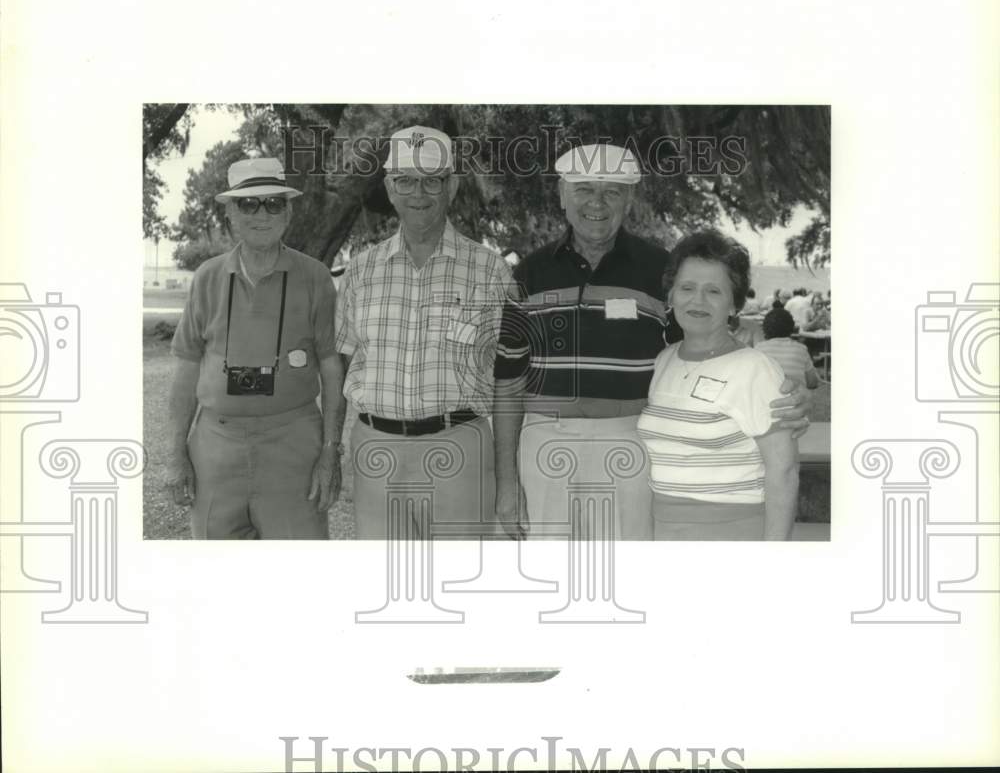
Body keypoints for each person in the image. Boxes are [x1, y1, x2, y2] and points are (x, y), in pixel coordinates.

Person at [493, 143, 810, 541]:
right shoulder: (529, 273)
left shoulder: (659, 269)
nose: (597, 202)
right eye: (584, 189)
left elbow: (703, 350)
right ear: (561, 194)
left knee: (629, 575)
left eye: (612, 191)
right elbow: (507, 382)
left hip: (632, 444)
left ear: (629, 199)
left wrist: (782, 394)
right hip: (544, 444)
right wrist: (506, 485)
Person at [333, 126, 513, 539]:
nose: (418, 193)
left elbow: (510, 381)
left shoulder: (491, 271)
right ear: (389, 188)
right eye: (405, 181)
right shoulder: (361, 271)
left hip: (460, 448)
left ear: (452, 186)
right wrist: (331, 451)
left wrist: (508, 475)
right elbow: (340, 363)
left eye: (432, 180)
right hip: (376, 448)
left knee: (460, 586)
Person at [167, 157, 344, 539]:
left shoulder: (315, 278)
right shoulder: (207, 279)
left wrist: (330, 452)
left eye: (273, 203)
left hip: (294, 444)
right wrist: (175, 454)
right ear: (231, 212)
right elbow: (186, 370)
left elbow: (331, 368)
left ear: (289, 211)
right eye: (248, 204)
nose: (261, 214)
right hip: (215, 447)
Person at [637, 231, 799, 540]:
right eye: (687, 288)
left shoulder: (755, 369)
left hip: (730, 534)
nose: (697, 300)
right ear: (671, 296)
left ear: (734, 304)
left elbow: (785, 472)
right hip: (663, 531)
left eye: (713, 291)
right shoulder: (663, 362)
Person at [755, 308, 820, 389]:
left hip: (766, 399)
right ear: (792, 327)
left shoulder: (758, 349)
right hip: (796, 398)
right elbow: (812, 383)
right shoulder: (801, 349)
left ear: (764, 329)